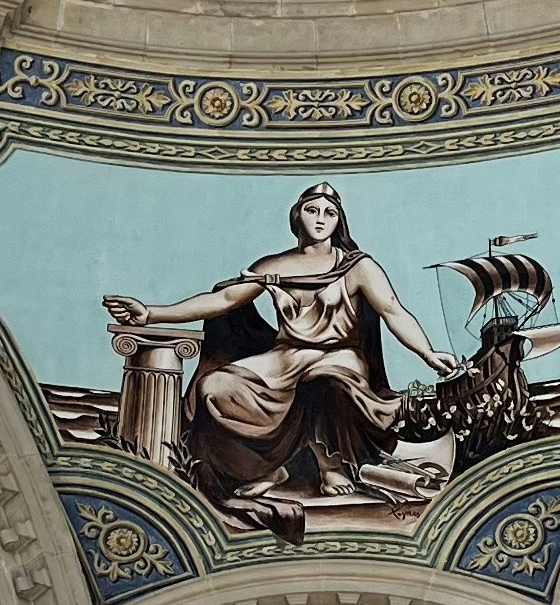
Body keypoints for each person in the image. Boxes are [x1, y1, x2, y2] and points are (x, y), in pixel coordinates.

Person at [103, 181, 453, 502]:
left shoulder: (356, 267)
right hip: (286, 356)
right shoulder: (274, 265)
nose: (320, 219)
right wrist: (151, 313)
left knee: (321, 382)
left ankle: (329, 464)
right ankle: (268, 466)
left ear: (339, 221)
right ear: (297, 215)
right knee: (215, 387)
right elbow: (224, 301)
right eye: (312, 210)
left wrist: (427, 353)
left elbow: (393, 311)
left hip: (338, 356)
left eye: (329, 213)